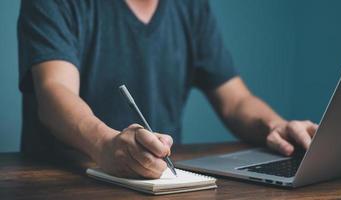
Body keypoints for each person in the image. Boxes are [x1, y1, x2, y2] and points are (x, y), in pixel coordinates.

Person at [18, 0, 318, 179]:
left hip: (158, 180)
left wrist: (277, 127)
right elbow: (54, 91)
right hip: (63, 181)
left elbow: (235, 100)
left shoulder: (189, 6)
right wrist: (105, 144)